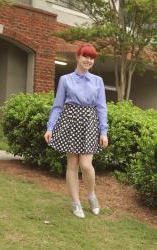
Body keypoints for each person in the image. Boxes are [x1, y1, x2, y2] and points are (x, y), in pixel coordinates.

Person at [44, 43, 108, 218]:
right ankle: (76, 203)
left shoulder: (98, 81)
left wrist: (103, 131)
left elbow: (102, 107)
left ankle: (91, 195)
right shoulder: (66, 80)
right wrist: (50, 127)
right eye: (85, 56)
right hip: (70, 123)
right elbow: (57, 106)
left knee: (86, 165)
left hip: (89, 124)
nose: (88, 60)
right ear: (77, 57)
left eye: (92, 57)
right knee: (72, 165)